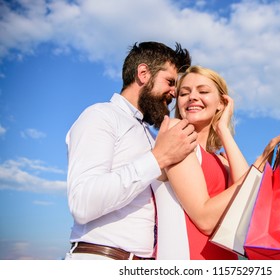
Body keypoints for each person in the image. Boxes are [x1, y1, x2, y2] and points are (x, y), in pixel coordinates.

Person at [64, 41, 196, 260]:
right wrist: (158, 158)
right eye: (170, 82)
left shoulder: (151, 136)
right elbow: (82, 202)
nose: (174, 92)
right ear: (143, 73)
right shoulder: (100, 115)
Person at [152, 65, 280, 260]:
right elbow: (204, 219)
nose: (192, 97)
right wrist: (262, 161)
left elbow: (247, 204)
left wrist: (223, 129)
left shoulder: (222, 159)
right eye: (184, 93)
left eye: (203, 91)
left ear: (221, 103)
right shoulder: (177, 133)